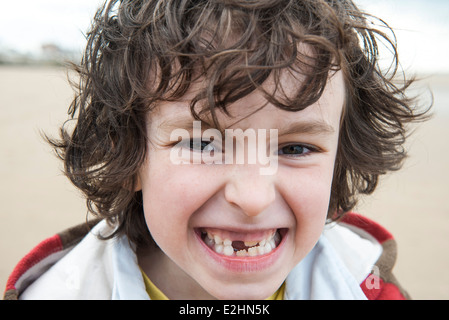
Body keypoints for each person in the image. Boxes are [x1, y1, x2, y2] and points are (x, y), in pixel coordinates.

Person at [4, 0, 429, 300]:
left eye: (296, 147)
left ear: (340, 160)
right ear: (131, 155)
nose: (252, 197)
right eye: (202, 143)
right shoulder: (61, 292)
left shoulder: (366, 285)